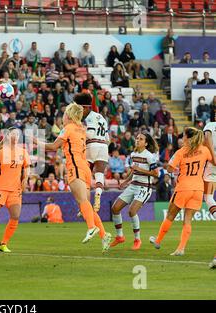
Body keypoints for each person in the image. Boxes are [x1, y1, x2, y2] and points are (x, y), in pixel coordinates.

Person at [40, 103, 112, 252]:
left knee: (82, 201)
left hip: (75, 167)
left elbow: (53, 146)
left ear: (69, 115)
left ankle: (91, 227)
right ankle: (104, 235)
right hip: (85, 168)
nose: (63, 117)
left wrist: (35, 142)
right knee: (86, 206)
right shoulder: (82, 129)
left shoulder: (68, 128)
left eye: (65, 114)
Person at [149, 127, 216, 256]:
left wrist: (165, 164)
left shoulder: (181, 152)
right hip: (198, 189)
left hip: (183, 188)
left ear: (187, 138)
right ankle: (181, 248)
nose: (181, 138)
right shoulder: (204, 150)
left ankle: (158, 241)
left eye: (183, 136)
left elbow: (169, 169)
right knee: (188, 219)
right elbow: (213, 161)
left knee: (170, 215)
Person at [110, 132, 159, 250]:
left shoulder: (149, 156)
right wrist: (126, 181)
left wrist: (140, 169)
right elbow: (133, 171)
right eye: (137, 138)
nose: (137, 140)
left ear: (146, 143)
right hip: (133, 185)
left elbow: (156, 174)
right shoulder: (133, 154)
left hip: (144, 187)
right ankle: (120, 236)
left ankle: (137, 239)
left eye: (141, 139)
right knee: (115, 208)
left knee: (132, 211)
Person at [78, 93, 109, 213]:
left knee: (86, 175)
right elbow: (107, 138)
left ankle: (84, 205)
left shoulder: (89, 118)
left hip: (92, 145)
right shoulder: (102, 118)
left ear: (86, 108)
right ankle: (98, 194)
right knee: (99, 174)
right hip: (103, 146)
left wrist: (80, 131)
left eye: (81, 109)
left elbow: (90, 134)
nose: (80, 112)